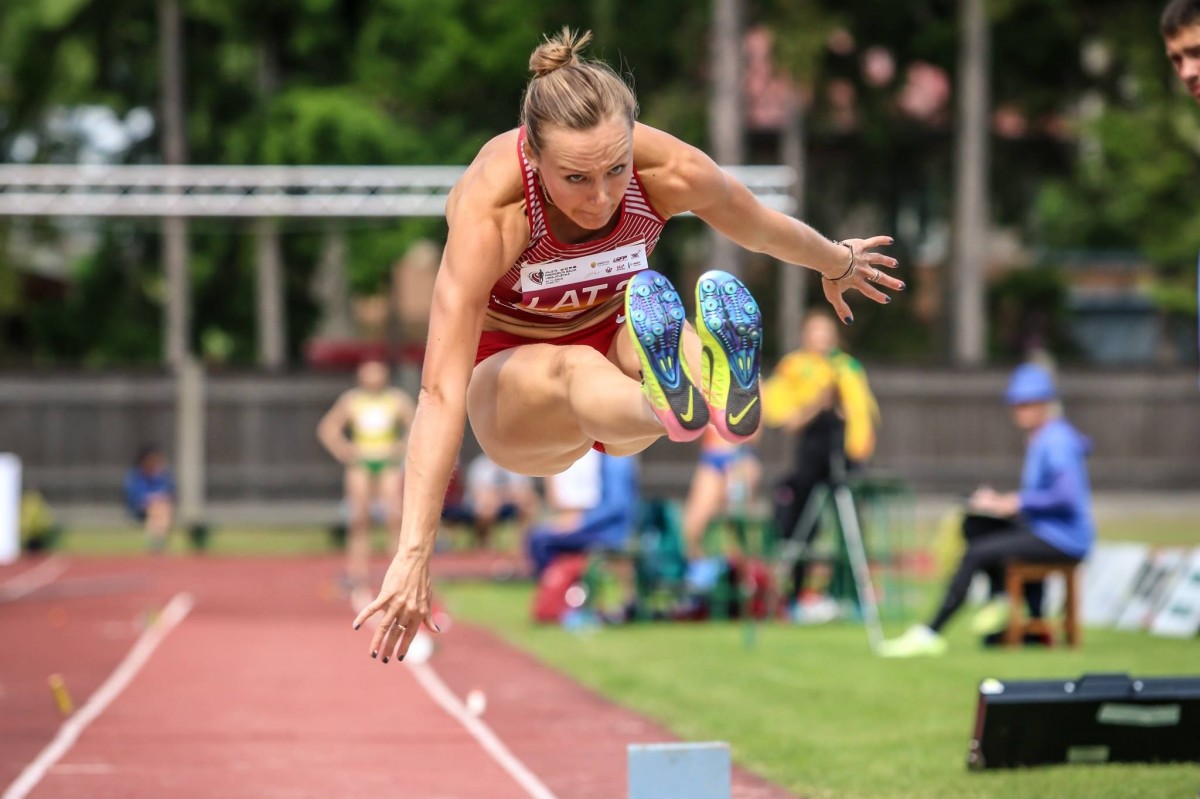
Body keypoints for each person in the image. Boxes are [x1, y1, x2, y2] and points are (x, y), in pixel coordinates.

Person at [353, 27, 901, 663]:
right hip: (513, 385)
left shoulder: (667, 169)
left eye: (616, 169)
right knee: (573, 364)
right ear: (534, 158)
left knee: (655, 332)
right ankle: (675, 399)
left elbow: (757, 226)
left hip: (619, 342)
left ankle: (694, 390)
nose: (603, 196)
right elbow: (440, 391)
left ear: (632, 141)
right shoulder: (494, 209)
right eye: (576, 178)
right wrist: (413, 552)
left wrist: (836, 261)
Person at [880, 363, 1095, 657]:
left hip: (1064, 539)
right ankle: (1007, 601)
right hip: (1044, 529)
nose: (1020, 410)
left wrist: (1014, 502)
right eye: (1017, 404)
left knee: (977, 553)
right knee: (975, 524)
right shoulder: (1041, 437)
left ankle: (932, 631)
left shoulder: (1055, 439)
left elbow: (1066, 496)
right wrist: (997, 503)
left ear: (1045, 403)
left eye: (1028, 403)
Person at [762, 312, 879, 619]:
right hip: (811, 453)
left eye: (827, 332)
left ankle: (851, 593)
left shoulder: (847, 367)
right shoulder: (794, 367)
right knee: (801, 524)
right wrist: (818, 402)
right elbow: (785, 418)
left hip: (843, 453)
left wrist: (842, 411)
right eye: (816, 332)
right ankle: (794, 593)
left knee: (851, 527)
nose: (822, 339)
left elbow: (862, 414)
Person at [317, 358, 416, 600]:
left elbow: (417, 424)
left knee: (394, 517)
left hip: (388, 463)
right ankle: (357, 573)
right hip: (361, 463)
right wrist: (344, 451)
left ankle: (398, 574)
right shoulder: (352, 400)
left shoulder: (396, 399)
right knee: (359, 519)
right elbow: (328, 428)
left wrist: (401, 447)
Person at [527, 449, 640, 577]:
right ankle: (564, 582)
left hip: (608, 531)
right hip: (596, 525)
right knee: (541, 533)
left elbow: (615, 505)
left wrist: (580, 522)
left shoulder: (615, 458)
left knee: (540, 539)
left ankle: (557, 584)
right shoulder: (602, 456)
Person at [461, 452, 540, 548]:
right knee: (486, 504)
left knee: (528, 500)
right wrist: (497, 496)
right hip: (485, 505)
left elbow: (523, 489)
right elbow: (478, 493)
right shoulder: (479, 465)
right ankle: (484, 544)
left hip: (510, 501)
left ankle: (524, 543)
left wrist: (506, 495)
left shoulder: (517, 464)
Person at [123, 444, 176, 553]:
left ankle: (156, 541)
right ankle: (158, 541)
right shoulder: (135, 476)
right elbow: (135, 497)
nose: (155, 463)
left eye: (157, 460)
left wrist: (156, 499)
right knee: (158, 508)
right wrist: (152, 499)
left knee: (160, 508)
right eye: (152, 460)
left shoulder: (163, 476)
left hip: (160, 510)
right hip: (140, 511)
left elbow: (169, 494)